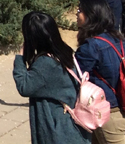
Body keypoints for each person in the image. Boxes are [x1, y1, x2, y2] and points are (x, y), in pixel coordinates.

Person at [12, 11, 90, 144]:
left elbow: (24, 87)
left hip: (57, 129)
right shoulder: (64, 51)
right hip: (72, 126)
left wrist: (20, 58)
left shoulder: (46, 63)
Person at [74, 0, 125, 143]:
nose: (76, 13)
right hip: (121, 106)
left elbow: (74, 76)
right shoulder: (119, 39)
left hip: (105, 112)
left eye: (80, 10)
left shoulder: (91, 46)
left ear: (91, 15)